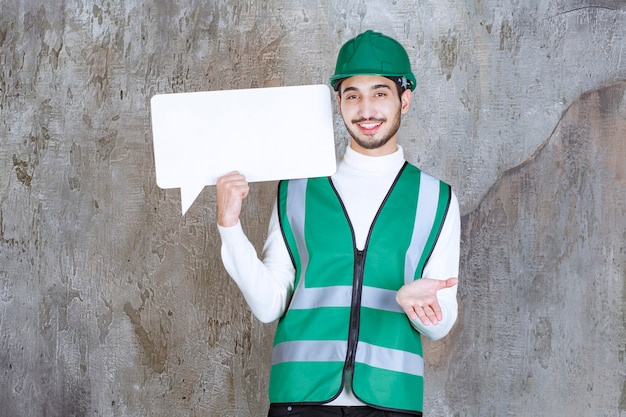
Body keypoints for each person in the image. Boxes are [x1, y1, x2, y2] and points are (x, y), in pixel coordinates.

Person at [216, 30, 460, 417]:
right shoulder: (297, 189)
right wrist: (229, 227)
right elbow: (268, 305)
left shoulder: (437, 198)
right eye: (353, 95)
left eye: (380, 93)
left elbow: (442, 318)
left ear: (405, 99)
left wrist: (425, 309)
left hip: (391, 400)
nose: (366, 110)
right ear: (340, 102)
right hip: (300, 399)